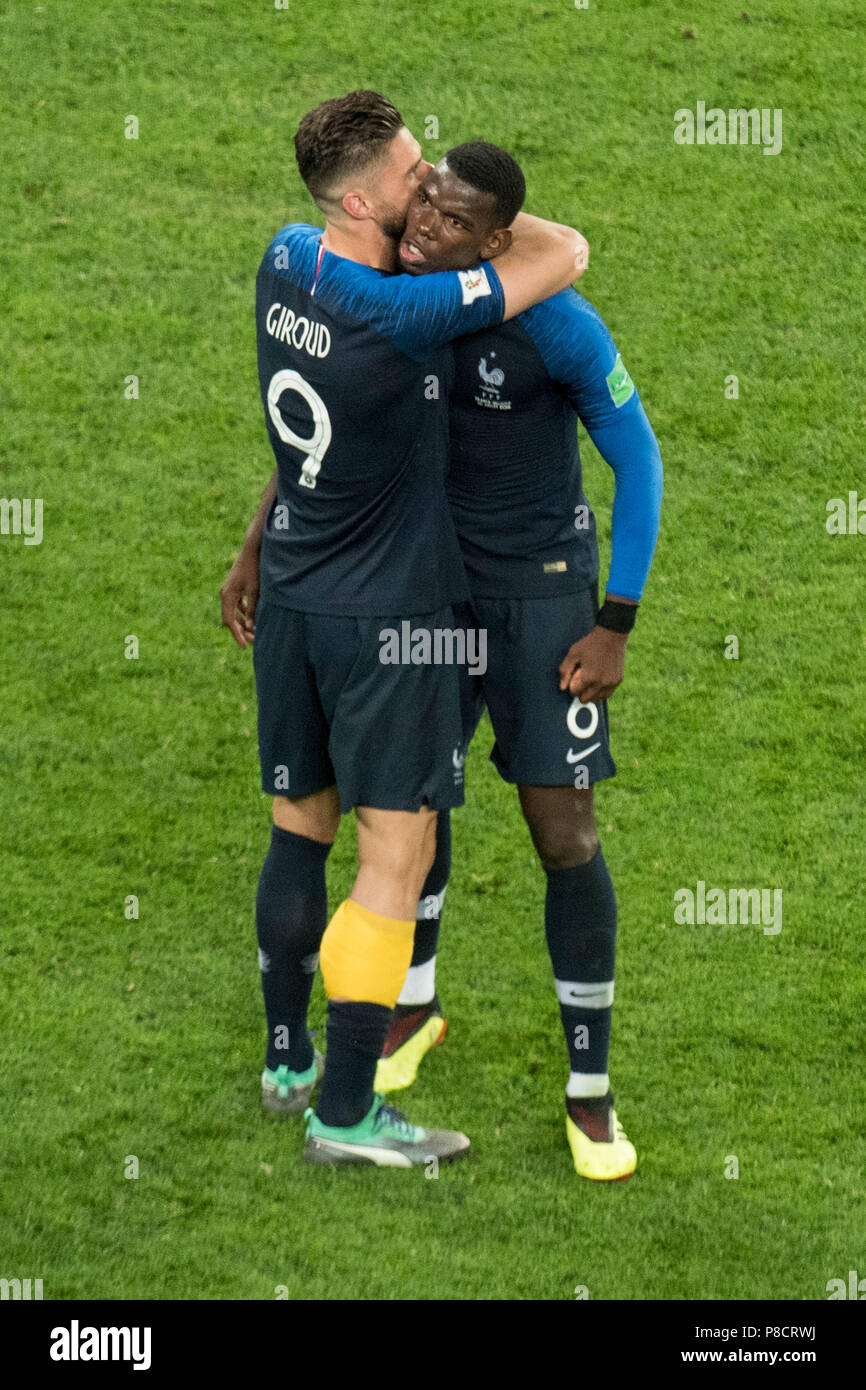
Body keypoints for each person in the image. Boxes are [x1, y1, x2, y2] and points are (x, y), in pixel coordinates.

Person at [220, 94, 588, 1167]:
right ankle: (345, 1111)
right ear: (358, 196)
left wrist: (248, 549)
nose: (426, 187)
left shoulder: (283, 258)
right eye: (412, 174)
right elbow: (563, 251)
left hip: (293, 593)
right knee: (396, 850)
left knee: (298, 824)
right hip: (387, 623)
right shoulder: (410, 315)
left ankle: (285, 1059)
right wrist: (490, 226)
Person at [372, 143, 663, 1182]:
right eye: (422, 208)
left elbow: (638, 460)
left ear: (498, 243)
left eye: (450, 223)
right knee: (413, 802)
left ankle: (590, 1095)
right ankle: (413, 1006)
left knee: (561, 829)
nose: (421, 233)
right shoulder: (396, 290)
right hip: (430, 593)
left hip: (542, 598)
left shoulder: (556, 326)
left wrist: (612, 622)